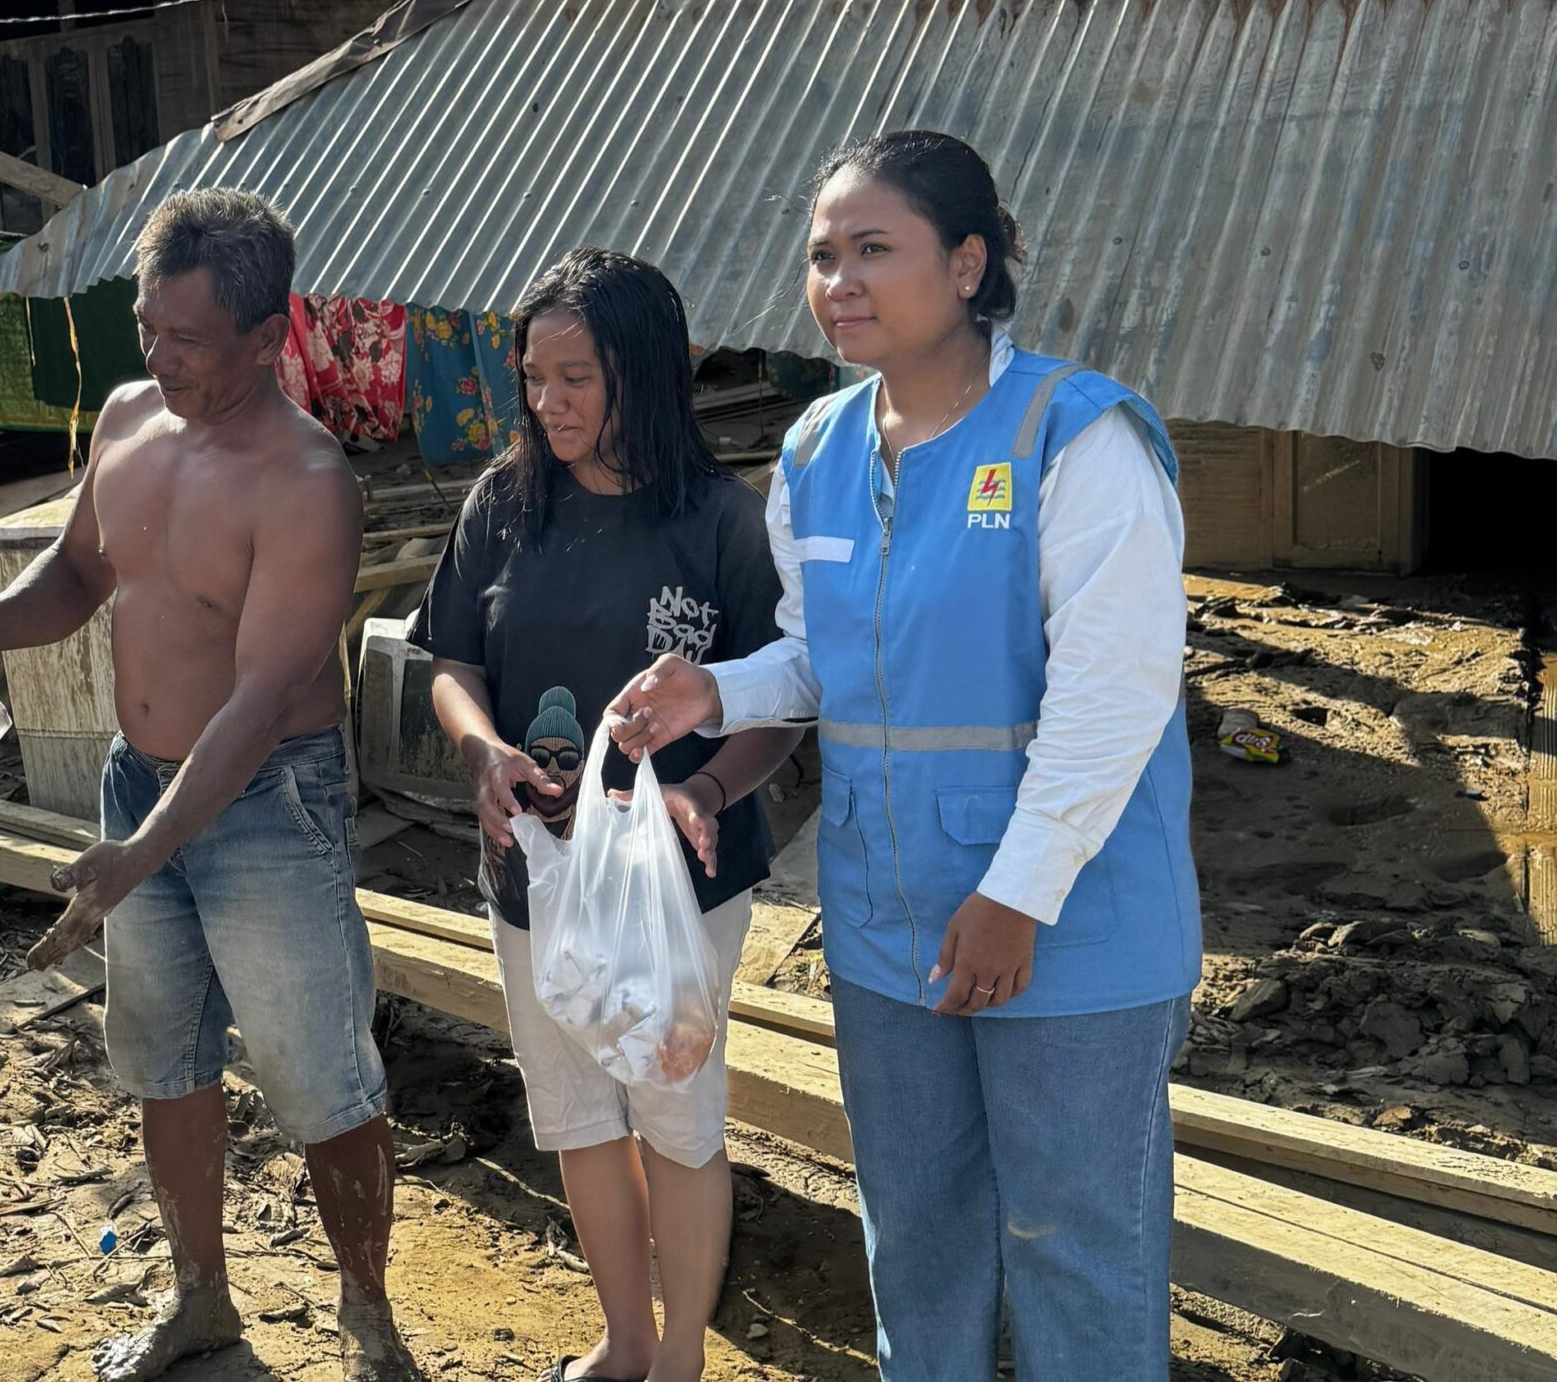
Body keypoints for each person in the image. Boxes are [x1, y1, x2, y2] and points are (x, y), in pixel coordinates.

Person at [608, 131, 1198, 1380]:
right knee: (914, 1231)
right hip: (888, 918)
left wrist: (1015, 892)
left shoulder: (1074, 439)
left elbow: (1116, 693)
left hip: (1068, 921)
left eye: (875, 250)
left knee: (1073, 1238)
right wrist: (713, 687)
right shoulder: (817, 452)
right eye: (821, 255)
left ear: (970, 261)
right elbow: (822, 657)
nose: (839, 282)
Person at [0, 188, 418, 1382]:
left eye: (189, 339)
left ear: (268, 339)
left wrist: (136, 852)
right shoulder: (126, 418)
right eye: (149, 327)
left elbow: (259, 705)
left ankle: (367, 1317)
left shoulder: (307, 482)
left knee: (319, 1073)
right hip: (136, 782)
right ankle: (201, 1298)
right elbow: (80, 571)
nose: (159, 356)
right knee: (163, 1057)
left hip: (268, 807)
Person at [417, 249, 801, 1382]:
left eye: (576, 377)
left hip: (681, 878)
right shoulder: (506, 502)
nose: (549, 403)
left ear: (641, 373)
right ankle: (623, 1340)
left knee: (674, 1110)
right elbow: (450, 658)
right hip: (537, 868)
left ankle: (680, 1352)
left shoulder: (721, 521)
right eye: (534, 377)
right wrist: (481, 748)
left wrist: (707, 786)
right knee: (579, 1111)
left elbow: (784, 700)